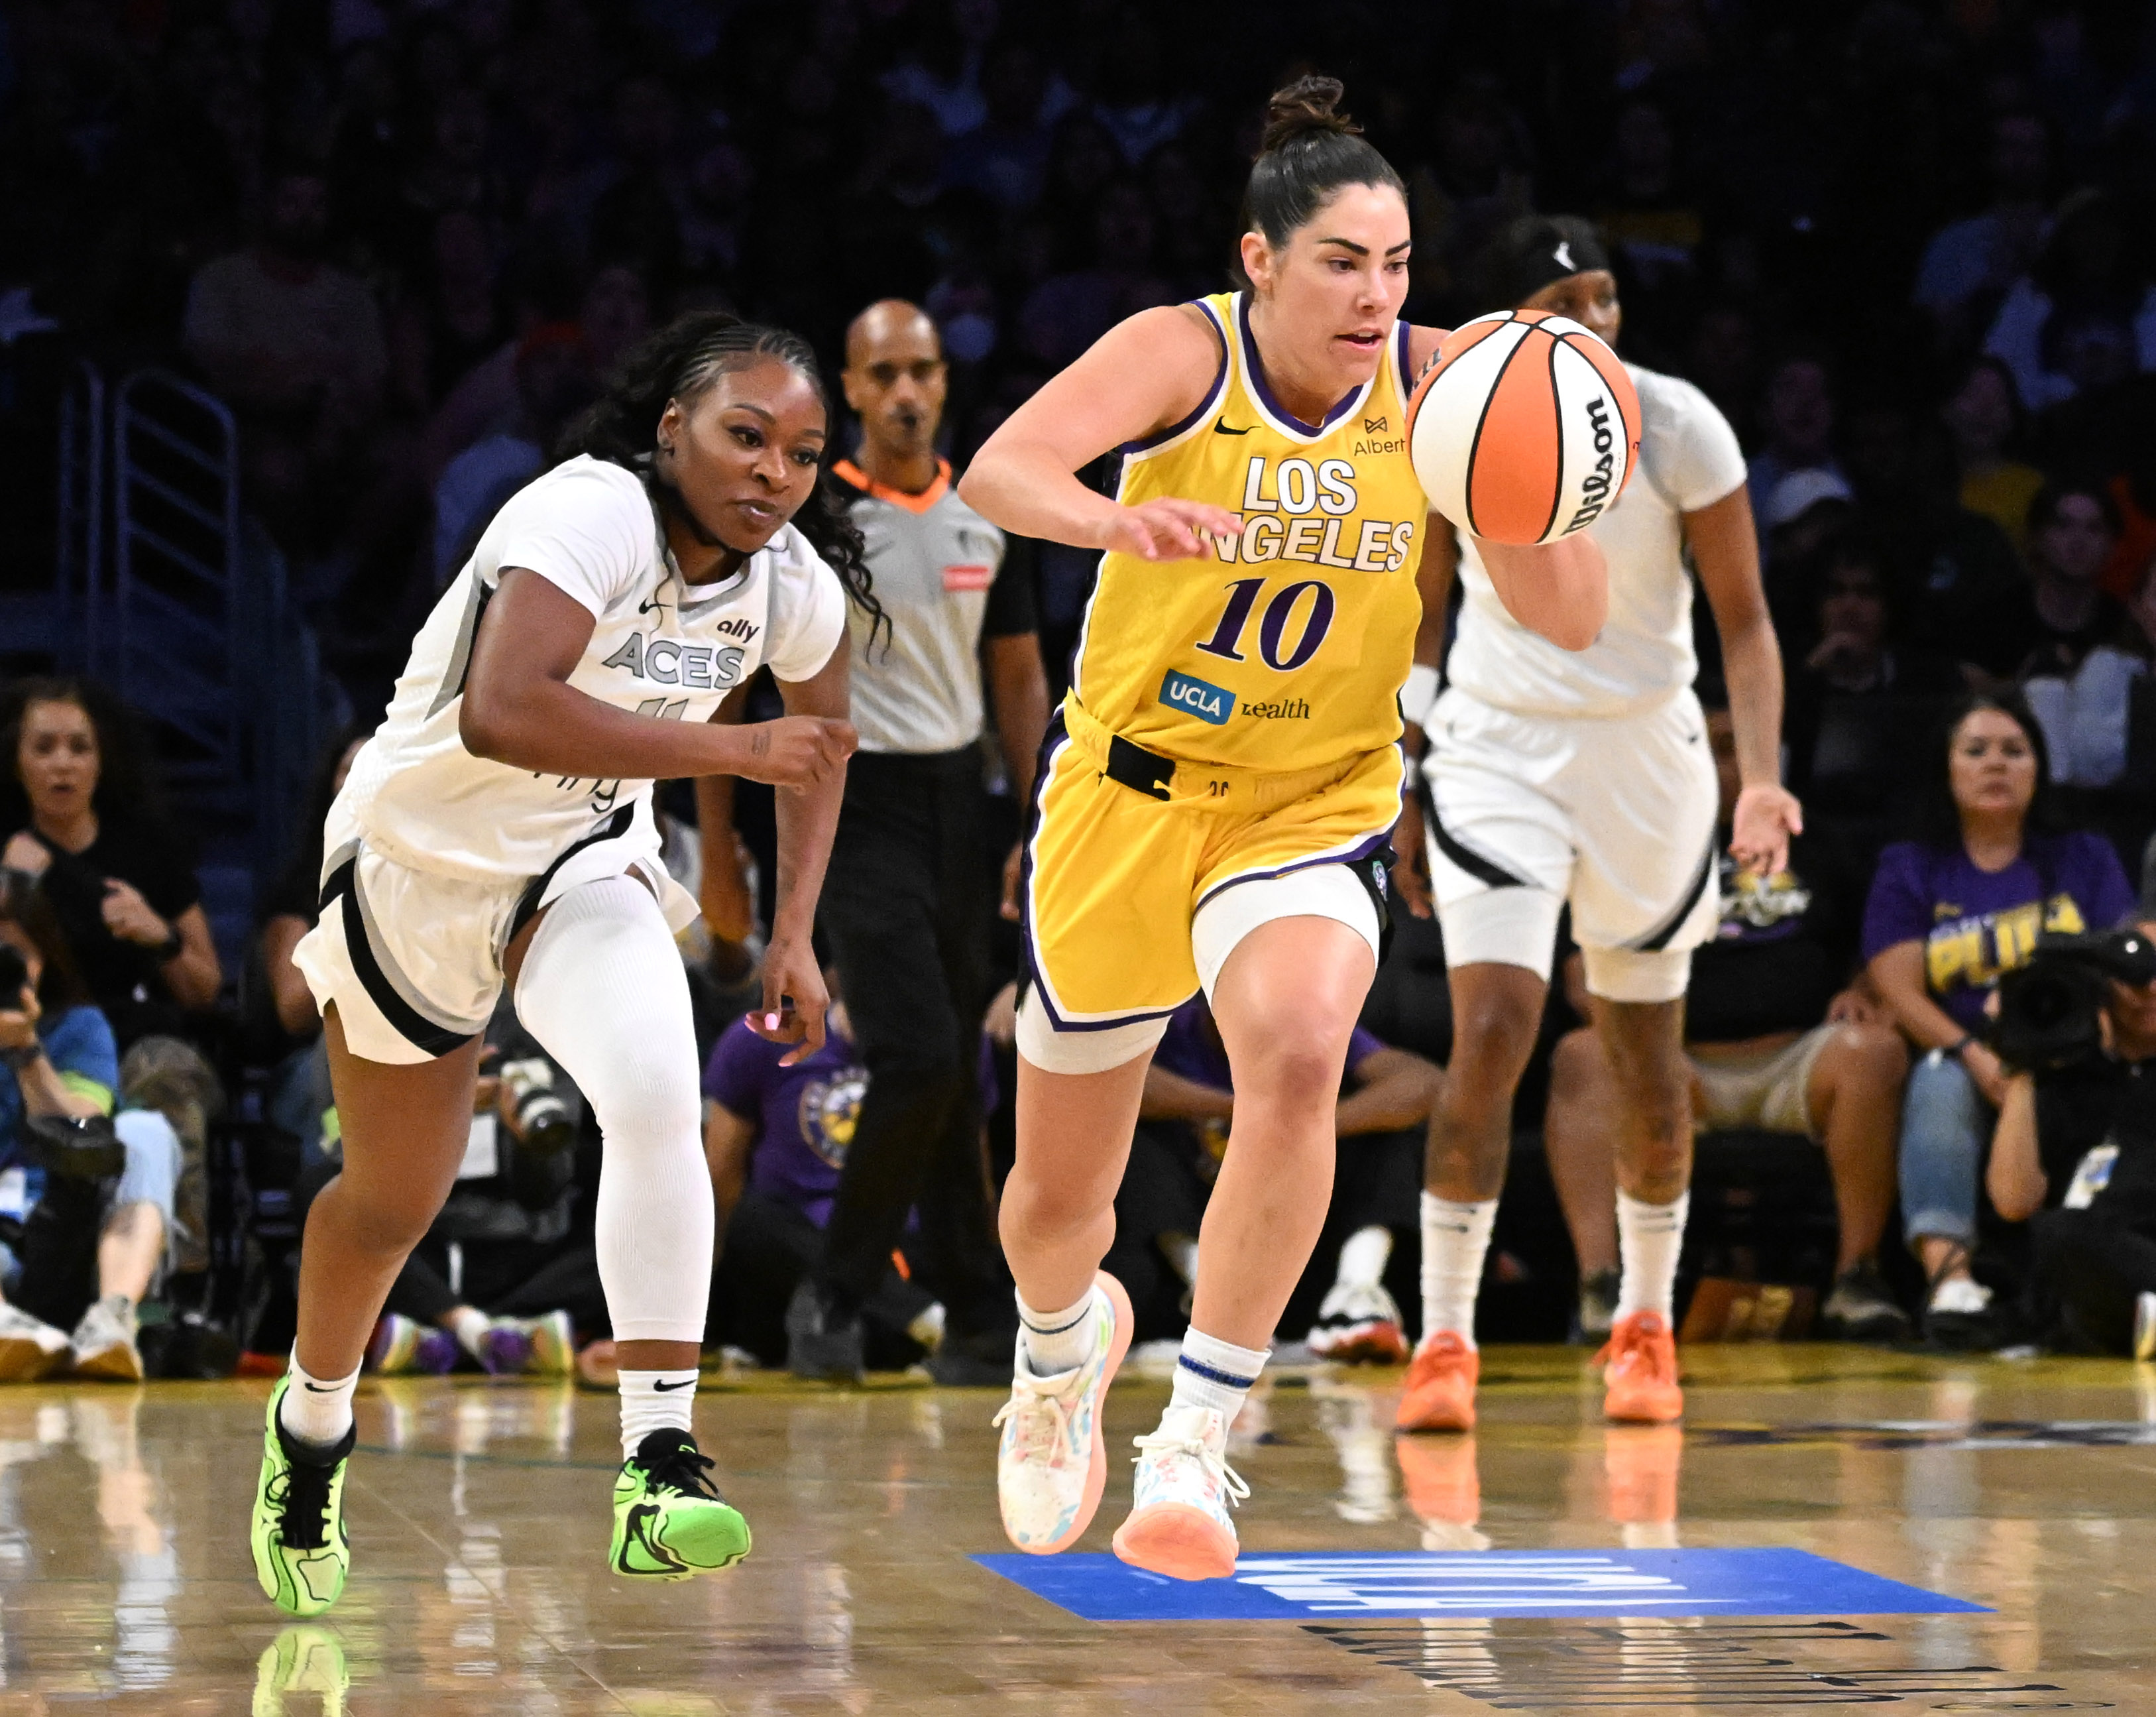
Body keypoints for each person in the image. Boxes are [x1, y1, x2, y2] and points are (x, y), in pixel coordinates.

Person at [956, 78, 1605, 1580]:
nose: (1375, 295)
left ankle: (1192, 1439)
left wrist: (1545, 481)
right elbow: (1002, 468)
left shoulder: (1444, 386)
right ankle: (1059, 1356)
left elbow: (1566, 619)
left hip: (1310, 800)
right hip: (1128, 793)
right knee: (1058, 1204)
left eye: (1392, 265)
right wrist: (1113, 521)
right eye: (1338, 263)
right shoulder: (1180, 351)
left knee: (1303, 1050)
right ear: (1260, 260)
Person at [249, 309, 870, 1618]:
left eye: (803, 453)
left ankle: (656, 1461)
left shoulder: (791, 582)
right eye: (744, 436)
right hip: (419, 858)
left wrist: (796, 931)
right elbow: (504, 706)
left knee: (652, 1088)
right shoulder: (583, 510)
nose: (773, 472)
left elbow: (820, 748)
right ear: (669, 429)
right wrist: (731, 754)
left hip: (580, 853)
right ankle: (311, 1427)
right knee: (388, 1201)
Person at [1390, 214, 1800, 1436]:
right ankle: (1443, 1337)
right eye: (1566, 302)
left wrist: (1762, 778)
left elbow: (1744, 623)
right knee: (1496, 1028)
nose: (1597, 322)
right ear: (1511, 324)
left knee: (1639, 1054)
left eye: (1607, 298)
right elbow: (1420, 617)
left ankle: (1643, 1325)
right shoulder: (1451, 421)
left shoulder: (1677, 423)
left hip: (1645, 750)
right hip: (1496, 744)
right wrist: (1403, 769)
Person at [785, 298, 1048, 1384]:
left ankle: (980, 1312)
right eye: (881, 373)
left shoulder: (988, 511)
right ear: (847, 388)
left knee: (951, 1072)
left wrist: (1034, 821)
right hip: (850, 798)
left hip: (960, 802)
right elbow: (748, 686)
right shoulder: (812, 522)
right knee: (921, 1055)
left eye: (921, 372)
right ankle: (835, 1288)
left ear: (945, 383)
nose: (903, 392)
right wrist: (719, 852)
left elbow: (1021, 676)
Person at [1543, 693, 1911, 1344]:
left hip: (1799, 1062)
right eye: (1709, 748)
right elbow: (1578, 972)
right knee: (1582, 1055)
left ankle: (1857, 1276)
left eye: (1738, 749)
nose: (1726, 765)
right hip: (1674, 1069)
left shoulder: (1815, 838)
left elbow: (1875, 945)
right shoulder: (1638, 845)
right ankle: (1600, 1285)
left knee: (1873, 1050)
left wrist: (1862, 986)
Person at [1863, 693, 2136, 1345]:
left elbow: (2122, 958)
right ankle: (1949, 1272)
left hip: (2077, 1048)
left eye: (2015, 751)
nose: (1996, 765)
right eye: (1976, 750)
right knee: (1936, 1078)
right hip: (1965, 1053)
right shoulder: (1911, 865)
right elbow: (1898, 988)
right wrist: (1973, 1050)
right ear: (1947, 768)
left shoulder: (2084, 856)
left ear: (2038, 768)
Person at [1114, 994, 1443, 1360]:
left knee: (1389, 1134)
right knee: (1133, 1138)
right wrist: (1245, 1111)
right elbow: (1117, 1082)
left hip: (1299, 1233)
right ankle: (1211, 1301)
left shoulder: (1318, 1033)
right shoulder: (1170, 1027)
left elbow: (1423, 1083)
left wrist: (1314, 1128)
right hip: (1199, 1229)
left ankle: (1355, 1298)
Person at [704, 982, 946, 1372]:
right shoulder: (764, 1036)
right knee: (750, 1220)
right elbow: (719, 1178)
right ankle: (913, 1315)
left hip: (890, 1248)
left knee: (851, 1317)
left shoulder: (936, 1047)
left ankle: (886, 1322)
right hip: (787, 1258)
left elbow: (966, 1178)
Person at [0, 878, 182, 1382]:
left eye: (12, 953)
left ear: (43, 957)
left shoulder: (77, 1026)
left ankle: (113, 1317)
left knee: (144, 1129)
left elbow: (84, 1135)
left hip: (70, 1236)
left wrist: (26, 1049)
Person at [0, 681, 222, 1049]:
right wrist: (16, 888)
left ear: (102, 761)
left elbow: (204, 993)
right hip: (33, 1046)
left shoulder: (149, 849)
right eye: (43, 748)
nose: (62, 764)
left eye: (80, 748)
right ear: (16, 763)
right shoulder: (8, 853)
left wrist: (160, 936)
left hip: (136, 1043)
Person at [1986, 926, 2156, 1355]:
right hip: (2102, 1270)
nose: (2152, 988)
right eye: (2135, 977)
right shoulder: (2066, 1085)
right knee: (2060, 1233)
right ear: (2100, 989)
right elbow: (2013, 1201)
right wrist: (2021, 1068)